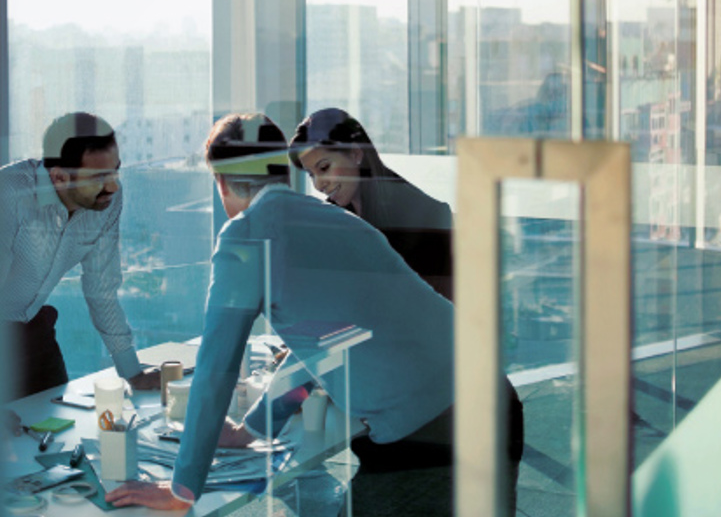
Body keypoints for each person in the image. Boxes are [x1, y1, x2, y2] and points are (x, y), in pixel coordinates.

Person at [106, 114, 522, 515]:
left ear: (220, 181)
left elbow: (218, 366)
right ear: (282, 174)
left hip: (431, 441)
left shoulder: (246, 235)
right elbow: (328, 338)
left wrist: (183, 487)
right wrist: (252, 429)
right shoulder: (339, 219)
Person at [0, 112, 160, 398]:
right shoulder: (8, 194)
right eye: (99, 177)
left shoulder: (108, 200)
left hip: (33, 330)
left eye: (116, 171)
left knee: (56, 424)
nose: (112, 186)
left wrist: (132, 372)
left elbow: (102, 289)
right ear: (59, 176)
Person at [289, 108, 456, 300]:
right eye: (311, 174)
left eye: (324, 168)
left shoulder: (420, 215)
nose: (318, 184)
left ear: (355, 154)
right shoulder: (335, 215)